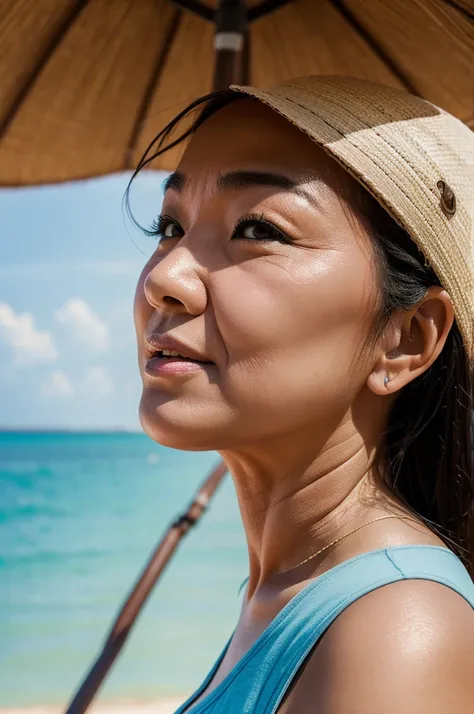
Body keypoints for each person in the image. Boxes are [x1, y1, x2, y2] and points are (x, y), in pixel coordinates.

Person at [129, 76, 474, 713]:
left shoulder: (395, 633)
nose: (165, 278)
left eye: (258, 229)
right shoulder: (288, 596)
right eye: (169, 225)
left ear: (406, 338)